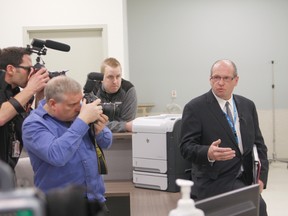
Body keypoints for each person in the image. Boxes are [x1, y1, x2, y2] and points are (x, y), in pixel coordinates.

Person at [180, 59, 269, 216]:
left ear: (236, 80)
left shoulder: (247, 105)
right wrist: (208, 153)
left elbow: (259, 145)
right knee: (257, 206)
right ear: (210, 79)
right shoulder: (195, 108)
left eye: (226, 78)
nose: (220, 83)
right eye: (216, 77)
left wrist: (261, 178)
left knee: (257, 206)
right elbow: (186, 147)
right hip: (214, 179)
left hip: (246, 177)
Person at [22, 76, 113, 214]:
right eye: (72, 105)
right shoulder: (33, 125)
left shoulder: (79, 113)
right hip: (59, 207)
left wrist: (99, 131)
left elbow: (107, 142)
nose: (78, 109)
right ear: (53, 104)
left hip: (96, 201)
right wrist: (82, 121)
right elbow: (57, 156)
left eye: (80, 103)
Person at [0, 46, 49, 169]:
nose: (32, 74)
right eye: (29, 69)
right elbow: (1, 116)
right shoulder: (23, 93)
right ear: (10, 69)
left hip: (8, 170)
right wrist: (31, 88)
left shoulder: (18, 94)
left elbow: (34, 124)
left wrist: (39, 95)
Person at [89, 57, 137, 132]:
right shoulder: (93, 90)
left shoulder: (129, 89)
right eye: (110, 77)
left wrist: (105, 125)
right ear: (101, 78)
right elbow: (93, 123)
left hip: (123, 138)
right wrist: (124, 126)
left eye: (118, 76)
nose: (115, 81)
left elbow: (129, 123)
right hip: (98, 137)